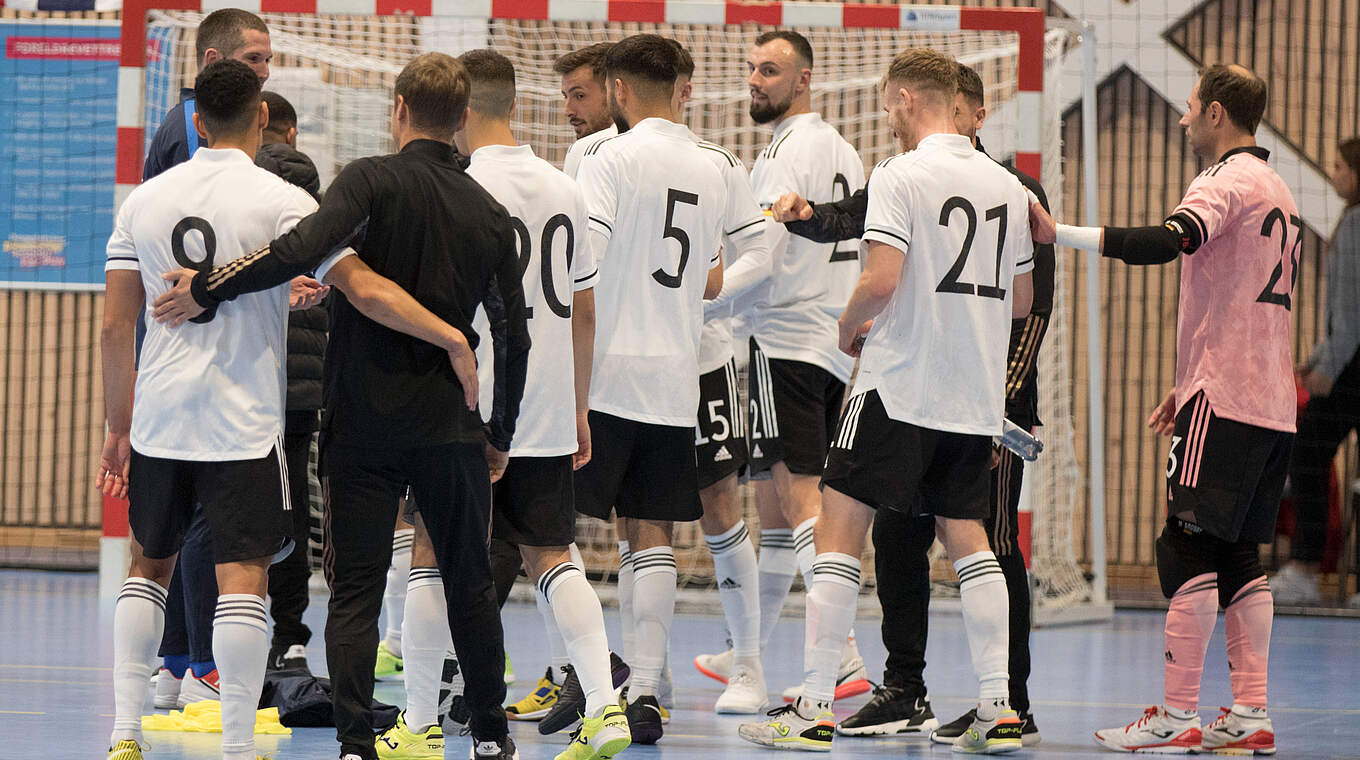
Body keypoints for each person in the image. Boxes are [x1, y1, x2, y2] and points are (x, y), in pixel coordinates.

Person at [152, 52, 531, 760]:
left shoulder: (368, 181)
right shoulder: (489, 215)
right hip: (451, 427)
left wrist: (208, 286)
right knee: (469, 584)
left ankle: (357, 742)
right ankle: (488, 735)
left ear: (398, 108)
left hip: (360, 422)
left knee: (354, 590)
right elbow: (513, 335)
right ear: (460, 123)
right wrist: (499, 432)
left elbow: (298, 247)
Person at [737, 47, 1034, 754]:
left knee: (840, 528)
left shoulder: (902, 173)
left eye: (886, 104)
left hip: (899, 382)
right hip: (972, 392)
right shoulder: (1009, 186)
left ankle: (811, 705)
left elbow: (879, 279)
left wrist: (848, 328)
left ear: (905, 98)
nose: (886, 118)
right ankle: (998, 705)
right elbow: (1021, 299)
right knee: (970, 538)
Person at [1029, 64, 1296, 755]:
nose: (1181, 121)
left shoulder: (1223, 181)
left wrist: (1063, 234)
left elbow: (1166, 242)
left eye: (1186, 109)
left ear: (1215, 114)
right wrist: (1187, 381)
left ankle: (1177, 718)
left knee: (1183, 544)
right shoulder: (1278, 189)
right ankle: (1250, 713)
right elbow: (1238, 295)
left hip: (1227, 398)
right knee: (1239, 552)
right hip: (1269, 401)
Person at [372, 49, 632, 760]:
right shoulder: (564, 185)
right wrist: (579, 407)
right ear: (514, 104)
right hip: (546, 402)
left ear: (456, 113)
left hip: (464, 405)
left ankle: (421, 721)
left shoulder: (450, 186)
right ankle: (607, 710)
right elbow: (584, 310)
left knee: (428, 551)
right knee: (554, 553)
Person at [100, 59, 330, 760]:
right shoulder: (284, 199)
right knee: (244, 575)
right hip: (244, 421)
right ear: (262, 115)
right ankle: (234, 744)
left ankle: (124, 732)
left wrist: (119, 427)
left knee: (149, 565)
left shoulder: (142, 200)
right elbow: (343, 275)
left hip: (163, 415)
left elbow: (115, 328)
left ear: (196, 122)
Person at [696, 30, 870, 702]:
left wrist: (701, 308)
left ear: (803, 79)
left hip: (785, 339)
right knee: (774, 512)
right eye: (751, 69)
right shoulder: (845, 151)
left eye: (769, 71)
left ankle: (845, 654)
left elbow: (761, 258)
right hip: (830, 342)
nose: (754, 81)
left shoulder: (782, 156)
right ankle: (750, 656)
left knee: (798, 503)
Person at [570, 33, 726, 745]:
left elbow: (583, 269)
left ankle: (597, 687)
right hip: (673, 372)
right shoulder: (717, 165)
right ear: (680, 87)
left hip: (603, 372)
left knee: (547, 530)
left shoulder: (607, 157)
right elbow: (747, 257)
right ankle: (649, 690)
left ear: (619, 91)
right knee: (652, 534)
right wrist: (702, 301)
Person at [143, 7, 275, 711]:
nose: (263, 73)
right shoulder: (192, 138)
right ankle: (200, 665)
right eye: (253, 59)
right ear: (212, 61)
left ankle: (169, 666)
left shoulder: (185, 133)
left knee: (178, 527)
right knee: (206, 525)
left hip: (189, 357)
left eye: (267, 60)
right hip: (200, 363)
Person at [504, 40, 620, 724]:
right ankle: (595, 683)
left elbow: (584, 293)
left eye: (580, 95)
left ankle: (434, 704)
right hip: (595, 380)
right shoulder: (687, 157)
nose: (569, 109)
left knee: (460, 545)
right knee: (556, 542)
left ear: (616, 90)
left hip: (566, 379)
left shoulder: (583, 165)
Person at [667, 42, 771, 715]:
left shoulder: (717, 163)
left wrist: (703, 301)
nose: (573, 112)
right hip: (625, 367)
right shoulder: (594, 161)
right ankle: (645, 676)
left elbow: (764, 250)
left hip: (704, 360)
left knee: (719, 507)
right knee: (632, 516)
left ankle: (750, 667)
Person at [253, 89, 329, 674]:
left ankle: (233, 628)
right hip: (305, 384)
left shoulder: (241, 192)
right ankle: (292, 634)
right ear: (294, 133)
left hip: (247, 378)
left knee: (233, 505)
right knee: (297, 506)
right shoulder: (318, 200)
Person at [1273, 138, 1360, 606]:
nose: (1334, 175)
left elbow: (1350, 315)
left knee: (1305, 453)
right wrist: (1319, 356)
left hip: (1350, 371)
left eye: (1341, 167)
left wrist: (1329, 365)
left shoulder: (1354, 225)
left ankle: (1306, 569)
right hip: (1347, 359)